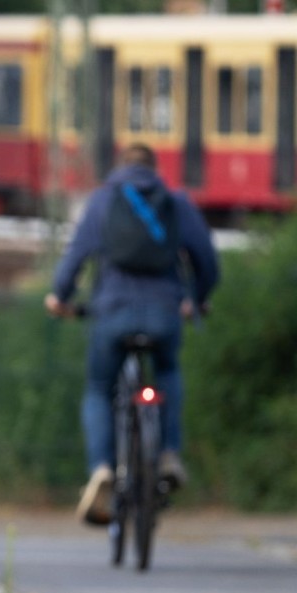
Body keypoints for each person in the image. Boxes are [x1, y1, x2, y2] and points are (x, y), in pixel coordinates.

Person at [44, 143, 219, 526]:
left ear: (119, 168)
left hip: (111, 314)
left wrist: (60, 298)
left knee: (98, 390)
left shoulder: (102, 202)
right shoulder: (175, 202)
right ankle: (169, 453)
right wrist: (198, 299)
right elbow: (207, 260)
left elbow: (74, 259)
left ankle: (103, 469)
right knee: (167, 374)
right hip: (164, 314)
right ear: (154, 170)